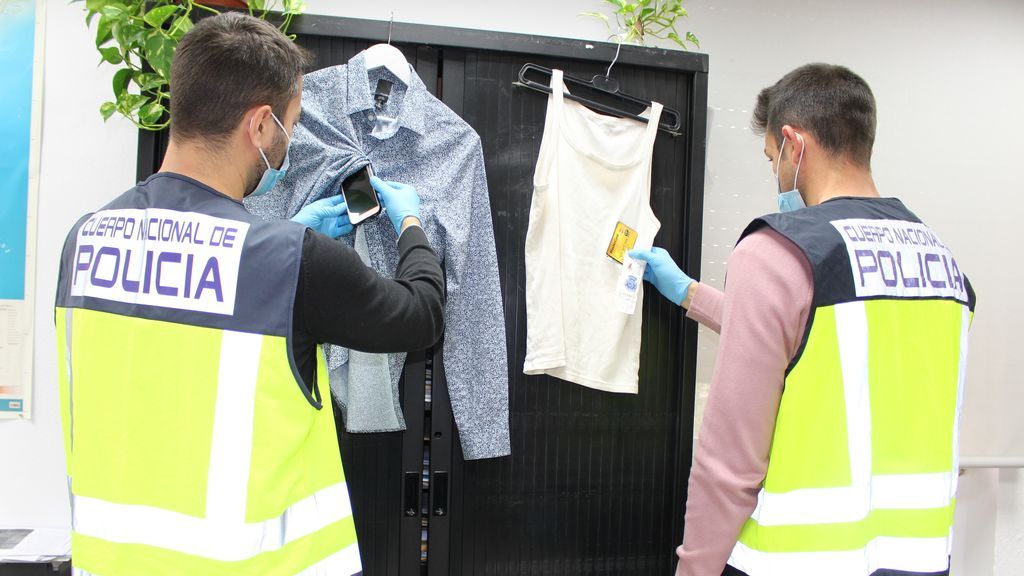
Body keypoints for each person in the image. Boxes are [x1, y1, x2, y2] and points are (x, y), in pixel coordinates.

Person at [53, 13, 445, 576]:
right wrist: (411, 225)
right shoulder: (291, 261)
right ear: (260, 126)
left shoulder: (82, 242)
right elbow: (420, 315)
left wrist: (291, 237)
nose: (286, 146)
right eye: (288, 125)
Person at [631, 64, 976, 576]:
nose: (776, 173)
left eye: (772, 158)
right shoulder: (943, 264)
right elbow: (820, 347)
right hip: (917, 560)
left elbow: (729, 467)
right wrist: (689, 294)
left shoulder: (777, 251)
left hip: (797, 562)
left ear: (794, 144)